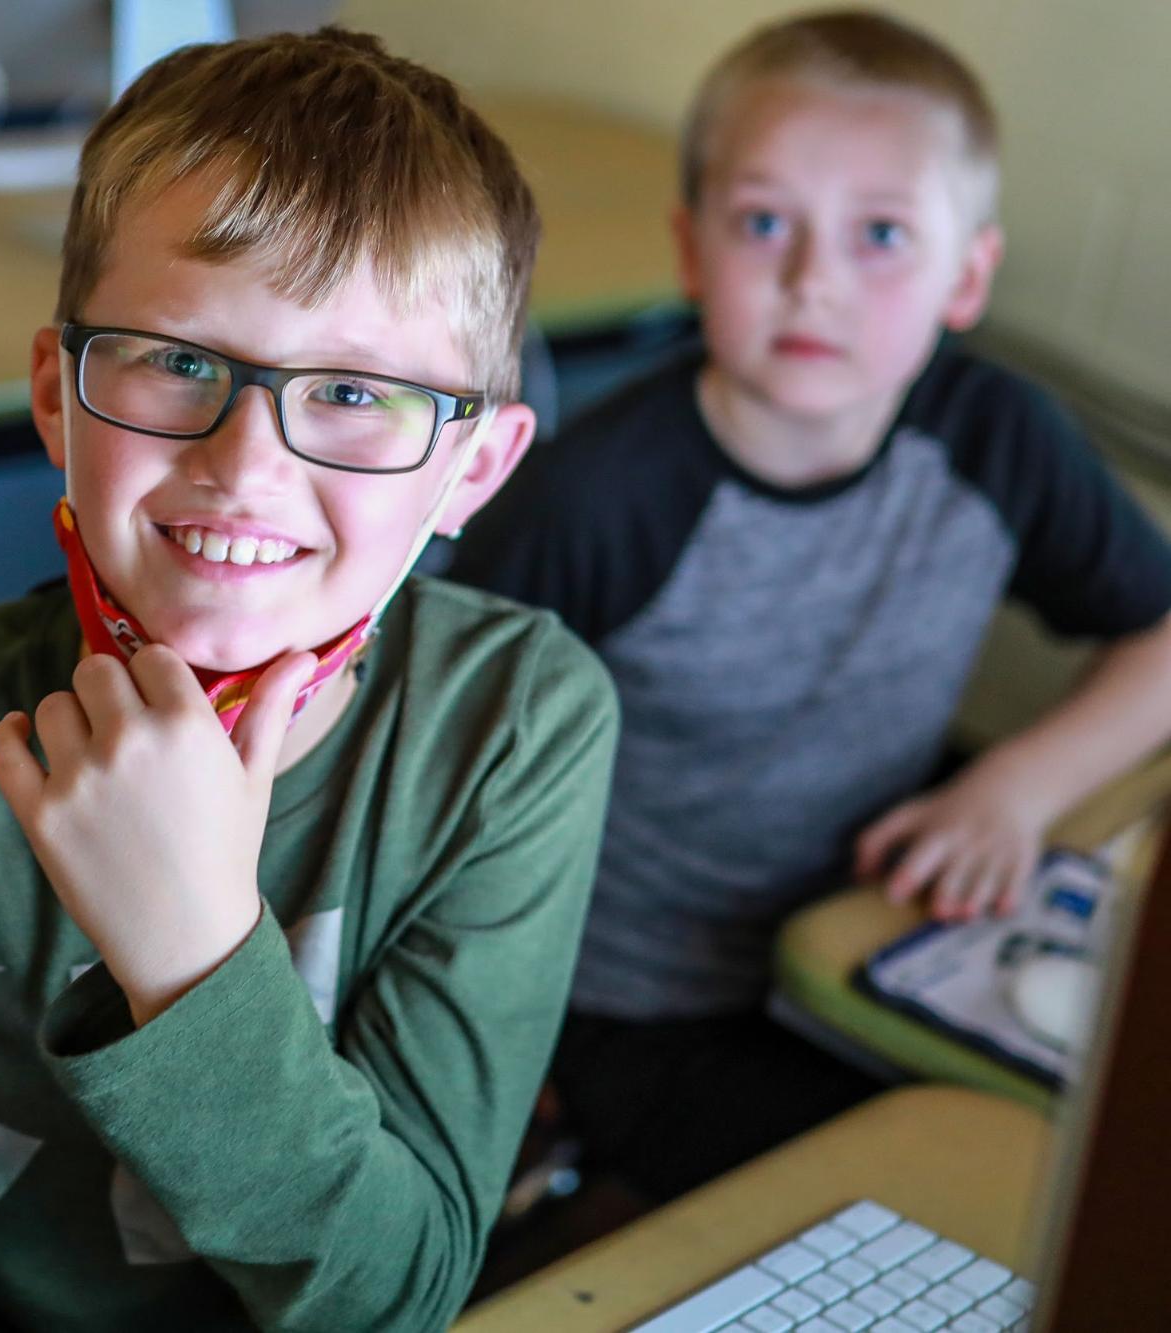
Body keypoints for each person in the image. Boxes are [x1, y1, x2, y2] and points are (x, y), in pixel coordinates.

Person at [0, 28, 619, 1332]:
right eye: (175, 361)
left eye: (347, 391)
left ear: (474, 470)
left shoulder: (513, 727)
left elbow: (392, 1300)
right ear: (57, 395)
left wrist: (187, 950)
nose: (245, 465)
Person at [450, 7, 1171, 1204]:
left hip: (877, 925)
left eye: (880, 233)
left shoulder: (998, 438)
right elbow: (432, 757)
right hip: (630, 998)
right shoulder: (598, 502)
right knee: (925, 1199)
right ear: (691, 251)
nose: (813, 281)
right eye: (764, 223)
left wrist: (1016, 786)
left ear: (967, 275)